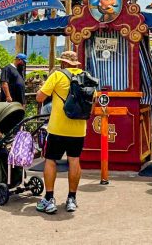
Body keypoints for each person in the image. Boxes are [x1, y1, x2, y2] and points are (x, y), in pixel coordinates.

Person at [35, 51, 87, 214]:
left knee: (51, 160)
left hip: (58, 128)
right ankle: (71, 199)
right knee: (74, 160)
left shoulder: (57, 75)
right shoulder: (86, 76)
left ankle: (49, 199)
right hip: (78, 128)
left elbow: (39, 97)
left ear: (63, 63)